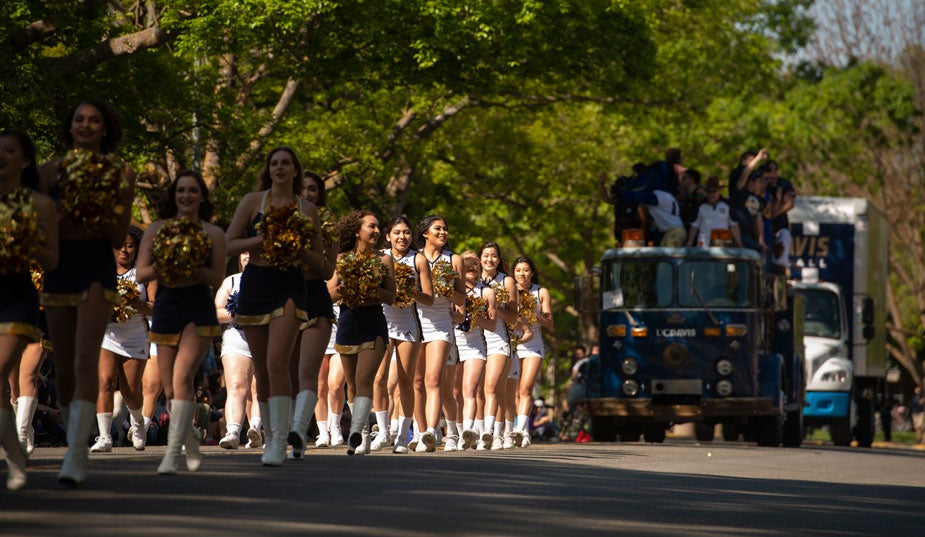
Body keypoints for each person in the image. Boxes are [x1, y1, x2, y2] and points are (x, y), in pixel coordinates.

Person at [37, 99, 135, 487]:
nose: (86, 126)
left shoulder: (121, 174)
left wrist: (97, 202)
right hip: (60, 266)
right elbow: (38, 226)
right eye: (80, 119)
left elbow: (116, 235)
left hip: (97, 266)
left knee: (84, 356)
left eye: (94, 121)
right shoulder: (49, 172)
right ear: (71, 126)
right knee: (62, 368)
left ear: (105, 128)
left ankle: (78, 452)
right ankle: (71, 439)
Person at [225, 146, 325, 466]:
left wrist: (296, 245)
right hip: (256, 283)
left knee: (277, 361)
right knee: (264, 371)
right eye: (274, 164)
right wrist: (263, 238)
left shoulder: (307, 209)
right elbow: (228, 244)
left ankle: (279, 440)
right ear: (268, 170)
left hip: (290, 285)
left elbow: (323, 267)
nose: (279, 168)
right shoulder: (252, 202)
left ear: (296, 171)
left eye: (285, 164)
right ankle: (270, 434)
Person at [136, 170, 226, 475]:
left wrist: (194, 267)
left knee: (182, 377)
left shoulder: (212, 233)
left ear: (202, 196)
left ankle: (172, 453)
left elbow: (216, 277)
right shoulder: (157, 229)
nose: (186, 196)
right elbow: (141, 273)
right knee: (173, 388)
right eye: (181, 191)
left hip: (197, 307)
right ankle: (190, 441)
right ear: (173, 196)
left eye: (192, 191)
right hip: (166, 306)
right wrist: (170, 261)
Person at [0, 129, 59, 490]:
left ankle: (16, 454)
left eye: (9, 150)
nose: (1, 156)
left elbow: (52, 258)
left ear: (23, 160)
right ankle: (17, 456)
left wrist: (28, 240)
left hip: (16, 297)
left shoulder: (39, 204)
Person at [332, 211, 396, 455]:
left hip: (373, 324)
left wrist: (372, 289)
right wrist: (349, 286)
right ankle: (364, 435)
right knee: (351, 384)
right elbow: (329, 293)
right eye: (372, 226)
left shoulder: (384, 260)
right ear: (357, 231)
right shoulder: (341, 259)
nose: (377, 231)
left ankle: (357, 432)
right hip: (348, 323)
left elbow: (391, 296)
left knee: (364, 379)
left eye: (379, 227)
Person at [287, 172, 338, 459]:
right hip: (285, 295)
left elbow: (328, 270)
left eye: (313, 190)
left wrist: (303, 248)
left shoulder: (328, 224)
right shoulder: (278, 218)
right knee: (286, 370)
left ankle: (298, 429)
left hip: (315, 295)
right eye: (303, 189)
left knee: (308, 371)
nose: (308, 194)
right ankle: (284, 425)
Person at [90, 225, 153, 453]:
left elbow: (155, 308)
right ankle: (104, 436)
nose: (124, 250)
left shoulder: (145, 273)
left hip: (135, 337)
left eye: (130, 246)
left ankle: (137, 424)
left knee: (131, 392)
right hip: (106, 335)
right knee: (105, 381)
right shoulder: (101, 271)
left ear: (137, 249)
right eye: (119, 245)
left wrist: (135, 304)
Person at [373, 217, 433, 453]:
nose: (402, 237)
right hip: (382, 320)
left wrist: (411, 291)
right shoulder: (379, 257)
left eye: (407, 232)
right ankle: (383, 432)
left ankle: (401, 437)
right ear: (388, 236)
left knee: (406, 382)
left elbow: (429, 297)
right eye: (397, 232)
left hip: (408, 322)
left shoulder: (418, 259)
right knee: (378, 379)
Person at [412, 215, 466, 452]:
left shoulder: (454, 260)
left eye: (445, 229)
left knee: (433, 380)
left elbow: (461, 298)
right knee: (416, 381)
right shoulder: (414, 258)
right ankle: (419, 430)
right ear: (425, 233)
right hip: (414, 321)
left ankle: (431, 433)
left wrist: (445, 288)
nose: (443, 232)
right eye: (438, 229)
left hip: (441, 324)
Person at [215, 252, 260, 450]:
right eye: (245, 251)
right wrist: (237, 312)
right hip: (236, 337)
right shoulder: (231, 281)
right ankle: (233, 432)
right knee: (237, 385)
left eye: (254, 250)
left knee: (259, 388)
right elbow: (216, 311)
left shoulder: (272, 281)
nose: (248, 255)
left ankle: (256, 429)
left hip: (264, 337)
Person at [479, 241, 519, 450]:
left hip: (499, 339)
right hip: (475, 339)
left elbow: (514, 318)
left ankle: (493, 433)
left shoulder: (507, 281)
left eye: (494, 256)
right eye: (486, 255)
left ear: (499, 259)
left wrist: (495, 307)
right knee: (485, 390)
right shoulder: (473, 280)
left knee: (492, 388)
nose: (489, 260)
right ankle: (492, 431)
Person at [511, 256, 553, 448]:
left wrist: (534, 312)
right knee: (515, 390)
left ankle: (521, 429)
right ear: (513, 273)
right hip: (514, 341)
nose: (522, 273)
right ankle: (520, 428)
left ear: (532, 272)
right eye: (518, 270)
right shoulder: (508, 290)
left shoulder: (541, 292)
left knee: (526, 388)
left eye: (526, 270)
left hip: (534, 343)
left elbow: (550, 323)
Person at [453, 252, 494, 450]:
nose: (471, 273)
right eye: (467, 270)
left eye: (474, 270)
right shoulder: (452, 290)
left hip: (475, 344)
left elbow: (493, 325)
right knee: (454, 392)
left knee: (470, 389)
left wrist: (474, 318)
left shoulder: (486, 292)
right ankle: (457, 432)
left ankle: (468, 431)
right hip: (453, 341)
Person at [685, 177, 743, 248]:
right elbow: (694, 226)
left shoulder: (728, 205)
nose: (710, 195)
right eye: (708, 192)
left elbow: (734, 225)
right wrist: (689, 242)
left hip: (722, 242)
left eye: (713, 192)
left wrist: (739, 243)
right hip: (703, 244)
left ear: (719, 191)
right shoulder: (700, 206)